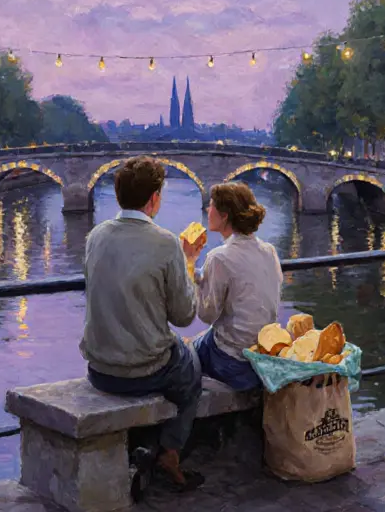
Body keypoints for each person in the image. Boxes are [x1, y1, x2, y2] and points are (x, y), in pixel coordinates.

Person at [80, 156, 203, 491]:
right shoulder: (165, 243)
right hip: (144, 370)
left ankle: (144, 450)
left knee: (164, 352)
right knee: (190, 366)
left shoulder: (95, 236)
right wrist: (189, 261)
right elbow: (184, 316)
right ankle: (171, 452)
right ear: (154, 199)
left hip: (100, 369)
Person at [189, 182, 282, 392]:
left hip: (232, 360)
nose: (207, 209)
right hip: (261, 352)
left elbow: (206, 315)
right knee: (201, 340)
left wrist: (189, 267)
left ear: (224, 216)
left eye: (211, 206)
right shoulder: (269, 251)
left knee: (185, 352)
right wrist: (198, 275)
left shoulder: (219, 257)